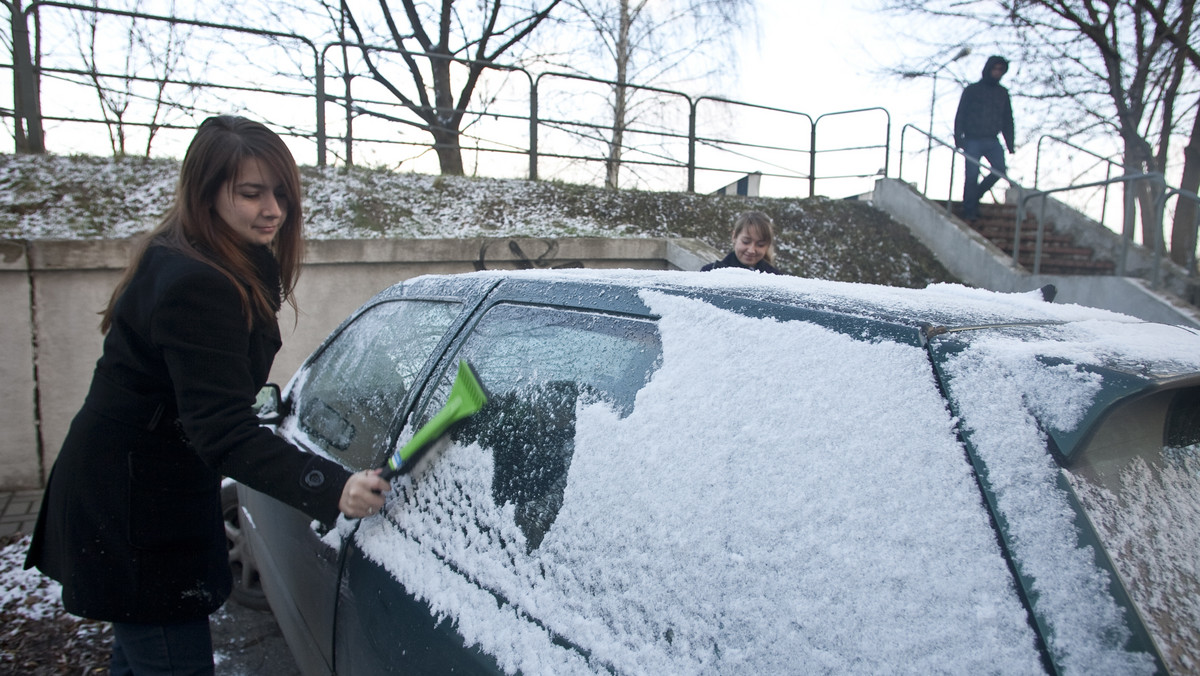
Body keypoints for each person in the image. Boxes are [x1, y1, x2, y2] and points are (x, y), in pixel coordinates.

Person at [24, 116, 390, 675]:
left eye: (281, 194)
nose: (273, 209)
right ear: (206, 191)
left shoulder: (184, 255)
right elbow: (220, 428)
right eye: (251, 192)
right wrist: (331, 485)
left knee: (141, 655)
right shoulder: (200, 282)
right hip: (139, 512)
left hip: (126, 488)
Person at [954, 55, 1015, 223]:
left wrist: (1010, 143)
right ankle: (969, 210)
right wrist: (959, 139)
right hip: (972, 139)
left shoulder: (1002, 93)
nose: (997, 73)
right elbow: (961, 114)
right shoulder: (972, 90)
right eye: (995, 69)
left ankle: (974, 197)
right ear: (988, 69)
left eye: (1000, 70)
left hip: (992, 139)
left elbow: (1007, 119)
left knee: (999, 169)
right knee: (972, 174)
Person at [700, 211, 784, 274]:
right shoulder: (710, 273)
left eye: (760, 245)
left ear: (768, 245)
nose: (751, 250)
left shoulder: (776, 279)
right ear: (734, 237)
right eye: (746, 242)